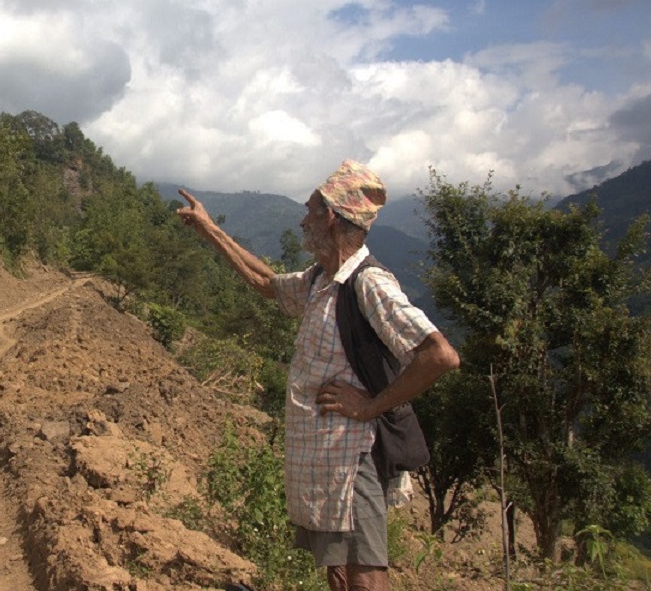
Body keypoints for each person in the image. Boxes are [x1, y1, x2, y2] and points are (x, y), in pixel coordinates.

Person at [177, 159, 459, 591]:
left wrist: (369, 406)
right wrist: (210, 230)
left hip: (353, 459)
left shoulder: (369, 284)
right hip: (328, 463)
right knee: (340, 566)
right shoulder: (321, 281)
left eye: (310, 209)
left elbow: (439, 355)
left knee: (365, 570)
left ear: (330, 217)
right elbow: (266, 283)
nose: (303, 218)